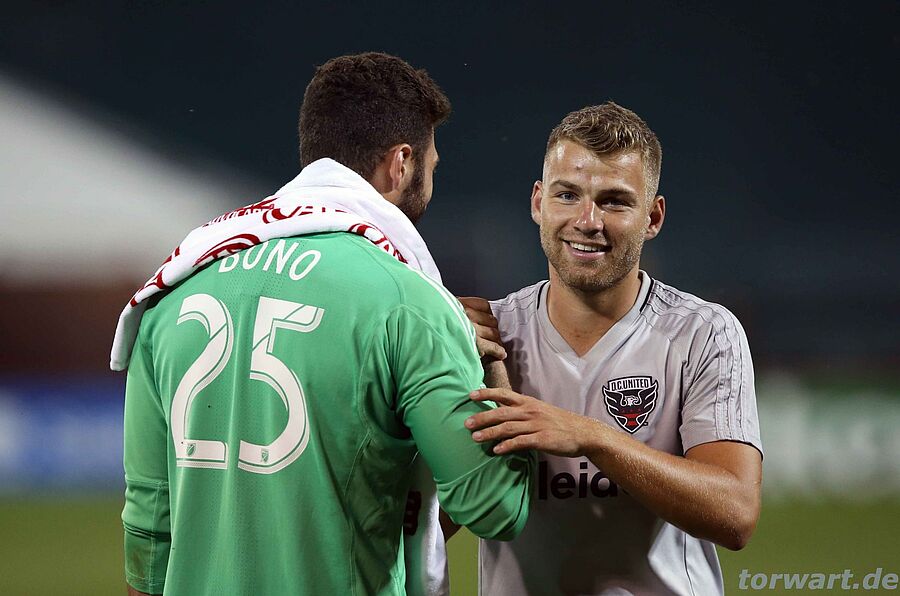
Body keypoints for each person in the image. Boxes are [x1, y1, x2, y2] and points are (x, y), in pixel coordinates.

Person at [113, 52, 533, 596]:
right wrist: (493, 368)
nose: (431, 182)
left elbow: (149, 535)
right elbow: (496, 508)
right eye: (432, 166)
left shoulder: (171, 289)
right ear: (400, 163)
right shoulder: (413, 305)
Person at [459, 102, 763, 595]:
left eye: (614, 202)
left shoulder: (703, 333)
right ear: (538, 202)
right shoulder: (484, 334)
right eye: (567, 195)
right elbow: (431, 521)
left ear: (653, 217)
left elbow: (735, 513)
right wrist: (438, 364)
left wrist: (590, 437)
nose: (587, 221)